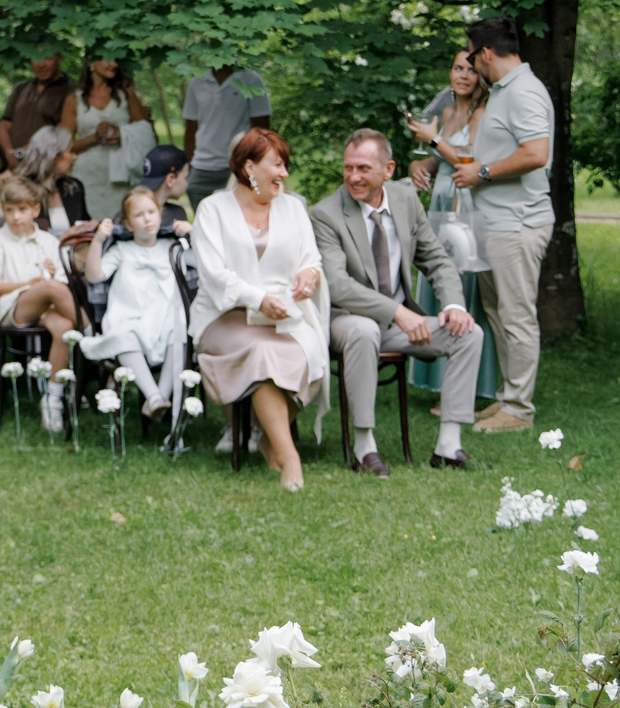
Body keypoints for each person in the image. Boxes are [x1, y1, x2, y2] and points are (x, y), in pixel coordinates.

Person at [312, 129, 485, 474]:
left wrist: (453, 305)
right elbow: (338, 286)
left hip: (396, 325)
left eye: (363, 168)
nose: (353, 177)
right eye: (348, 168)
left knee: (468, 333)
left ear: (388, 169)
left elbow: (436, 259)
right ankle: (364, 447)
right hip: (344, 320)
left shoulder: (405, 201)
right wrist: (398, 311)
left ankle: (448, 446)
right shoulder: (326, 214)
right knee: (363, 330)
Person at [190, 128, 327, 490]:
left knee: (311, 353)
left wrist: (308, 276)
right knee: (263, 354)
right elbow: (214, 275)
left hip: (284, 315)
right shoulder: (213, 209)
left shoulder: (293, 207)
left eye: (285, 165)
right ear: (249, 167)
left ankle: (267, 438)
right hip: (225, 317)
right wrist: (258, 299)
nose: (284, 173)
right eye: (277, 165)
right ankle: (290, 458)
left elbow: (311, 259)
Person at [453, 18, 554, 434]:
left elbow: (536, 153)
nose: (471, 65)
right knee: (497, 312)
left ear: (485, 53)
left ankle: (519, 411)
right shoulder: (502, 91)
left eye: (472, 56)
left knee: (516, 315)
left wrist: (483, 172)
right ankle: (507, 397)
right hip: (493, 222)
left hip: (518, 224)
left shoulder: (525, 91)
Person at [406, 49, 498, 412]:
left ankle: (464, 390)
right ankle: (440, 381)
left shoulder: (481, 113)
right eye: (457, 68)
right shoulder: (447, 112)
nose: (462, 75)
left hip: (465, 207)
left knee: (463, 291)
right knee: (437, 282)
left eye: (471, 70)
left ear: (481, 77)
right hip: (441, 204)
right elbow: (442, 158)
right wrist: (421, 166)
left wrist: (432, 140)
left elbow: (467, 161)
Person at [0, 175, 80, 433]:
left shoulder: (48, 241)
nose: (15, 216)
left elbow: (61, 283)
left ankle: (52, 398)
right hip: (9, 308)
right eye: (9, 210)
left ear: (35, 209)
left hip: (46, 307)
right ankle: (90, 337)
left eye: (22, 209)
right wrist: (30, 284)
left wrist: (49, 278)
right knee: (51, 288)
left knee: (64, 327)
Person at [77, 187, 188, 419]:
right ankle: (154, 396)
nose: (147, 219)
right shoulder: (122, 250)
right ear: (128, 224)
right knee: (124, 336)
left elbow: (207, 261)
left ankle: (160, 396)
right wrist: (98, 240)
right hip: (129, 317)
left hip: (163, 318)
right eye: (139, 215)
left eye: (151, 212)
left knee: (177, 333)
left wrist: (193, 234)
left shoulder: (172, 248)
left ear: (160, 215)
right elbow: (95, 276)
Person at [71, 56, 154, 223]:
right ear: (91, 62)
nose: (113, 64)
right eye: (107, 59)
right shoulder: (75, 99)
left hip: (120, 177)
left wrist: (121, 133)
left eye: (116, 60)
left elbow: (146, 133)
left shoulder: (126, 94)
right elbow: (64, 146)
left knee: (120, 223)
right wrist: (95, 137)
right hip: (87, 178)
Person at [181, 64, 272, 202]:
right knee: (199, 205)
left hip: (237, 165)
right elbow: (191, 127)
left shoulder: (251, 80)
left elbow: (261, 127)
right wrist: (189, 164)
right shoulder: (197, 81)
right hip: (202, 165)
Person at [0, 49, 74, 164]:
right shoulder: (21, 88)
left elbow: (62, 132)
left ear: (59, 58)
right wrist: (9, 154)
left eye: (47, 58)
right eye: (36, 57)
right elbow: (5, 125)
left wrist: (20, 154)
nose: (41, 64)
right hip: (14, 164)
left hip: (47, 164)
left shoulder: (70, 91)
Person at [14, 124, 90, 233]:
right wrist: (65, 237)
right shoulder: (22, 189)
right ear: (54, 156)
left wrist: (93, 225)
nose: (75, 157)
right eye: (71, 151)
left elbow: (84, 222)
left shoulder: (74, 187)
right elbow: (20, 234)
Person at [135, 145, 196, 233]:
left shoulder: (130, 212)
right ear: (170, 180)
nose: (186, 183)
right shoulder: (176, 216)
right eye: (185, 177)